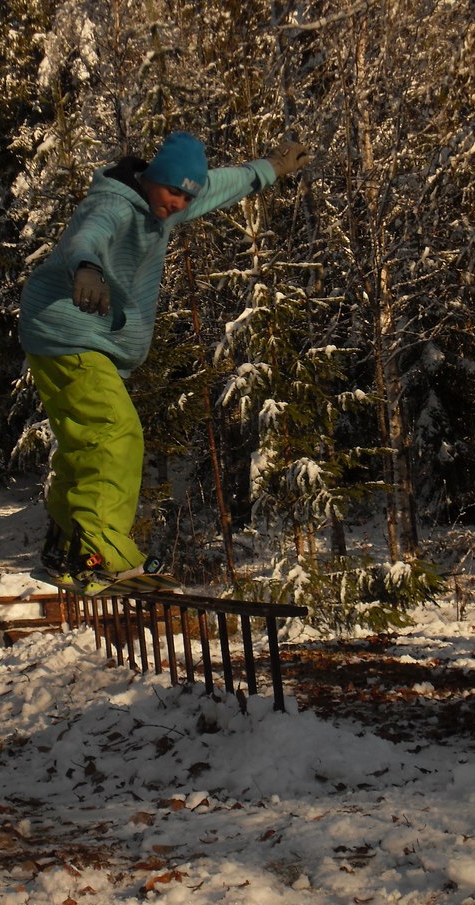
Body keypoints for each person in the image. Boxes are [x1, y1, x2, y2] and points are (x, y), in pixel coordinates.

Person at [19, 131, 310, 589]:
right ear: (155, 178)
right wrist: (87, 267)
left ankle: (65, 546)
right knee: (115, 433)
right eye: (174, 192)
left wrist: (269, 168)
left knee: (85, 442)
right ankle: (98, 554)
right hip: (69, 333)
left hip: (61, 337)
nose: (178, 204)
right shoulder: (114, 205)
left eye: (184, 198)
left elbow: (215, 186)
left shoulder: (161, 203)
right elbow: (87, 235)